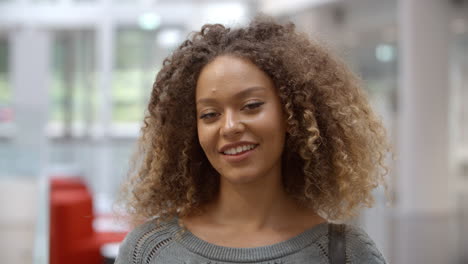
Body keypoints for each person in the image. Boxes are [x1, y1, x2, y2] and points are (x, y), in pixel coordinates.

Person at [116, 15, 389, 264]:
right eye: (210, 114)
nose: (230, 127)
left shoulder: (345, 254)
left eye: (251, 105)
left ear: (292, 114)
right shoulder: (148, 251)